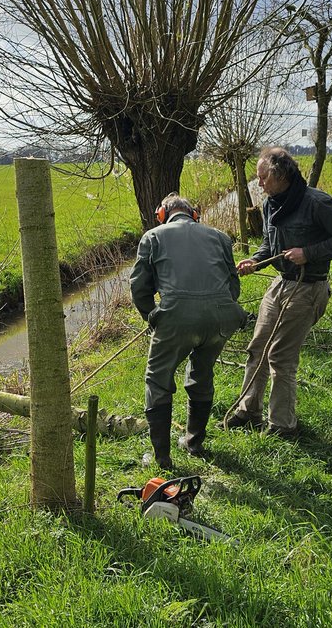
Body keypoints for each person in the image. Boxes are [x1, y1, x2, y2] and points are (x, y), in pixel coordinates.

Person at [224, 147, 332, 437]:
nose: (258, 183)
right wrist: (255, 262)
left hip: (308, 287)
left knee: (280, 357)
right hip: (281, 284)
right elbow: (269, 247)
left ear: (280, 175)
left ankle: (283, 425)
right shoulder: (270, 203)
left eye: (262, 177)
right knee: (257, 348)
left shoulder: (316, 203)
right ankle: (248, 411)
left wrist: (309, 253)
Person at [130, 193, 247, 470]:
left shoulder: (152, 237)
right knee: (202, 373)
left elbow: (139, 288)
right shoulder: (221, 237)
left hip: (176, 318)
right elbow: (234, 288)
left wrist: (153, 317)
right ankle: (194, 443)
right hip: (221, 319)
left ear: (162, 214)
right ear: (195, 214)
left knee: (158, 380)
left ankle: (162, 459)